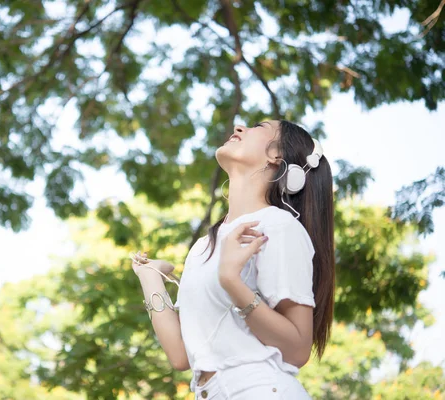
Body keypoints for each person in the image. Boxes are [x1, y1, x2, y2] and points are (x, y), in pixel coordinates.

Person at [130, 120, 335, 399]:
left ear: (276, 155)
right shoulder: (204, 247)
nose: (239, 127)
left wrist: (232, 282)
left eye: (258, 126)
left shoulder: (277, 226)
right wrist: (150, 277)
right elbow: (181, 356)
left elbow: (298, 350)